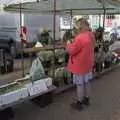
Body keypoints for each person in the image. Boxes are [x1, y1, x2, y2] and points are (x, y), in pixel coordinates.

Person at [65, 18, 95, 110]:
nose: (76, 28)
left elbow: (71, 51)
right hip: (88, 64)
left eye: (77, 27)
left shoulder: (80, 38)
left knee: (79, 84)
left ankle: (79, 103)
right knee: (87, 82)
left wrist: (68, 44)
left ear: (80, 27)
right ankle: (86, 99)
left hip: (79, 65)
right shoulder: (91, 35)